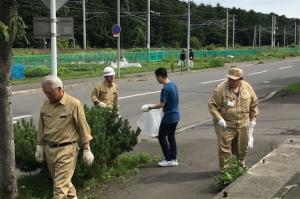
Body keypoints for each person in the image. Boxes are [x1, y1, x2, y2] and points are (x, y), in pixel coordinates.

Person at [35, 75, 94, 199]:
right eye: (45, 92)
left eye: (50, 92)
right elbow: (41, 125)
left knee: (59, 189)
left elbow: (83, 127)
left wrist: (86, 149)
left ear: (60, 89)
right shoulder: (46, 104)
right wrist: (39, 145)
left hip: (67, 150)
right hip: (49, 149)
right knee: (63, 182)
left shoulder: (74, 104)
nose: (47, 95)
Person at [208, 68, 259, 171]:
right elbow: (212, 106)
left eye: (234, 79)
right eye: (229, 78)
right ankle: (225, 171)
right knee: (224, 149)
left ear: (240, 79)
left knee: (242, 147)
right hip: (226, 125)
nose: (230, 81)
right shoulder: (220, 89)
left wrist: (253, 119)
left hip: (243, 124)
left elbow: (254, 104)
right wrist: (219, 119)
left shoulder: (247, 87)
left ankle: (239, 166)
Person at [142, 67, 180, 167]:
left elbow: (162, 104)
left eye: (156, 77)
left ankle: (168, 159)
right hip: (176, 115)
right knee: (171, 137)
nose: (156, 80)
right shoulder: (174, 85)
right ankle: (174, 159)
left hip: (168, 117)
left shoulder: (165, 89)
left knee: (161, 137)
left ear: (160, 76)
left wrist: (150, 107)